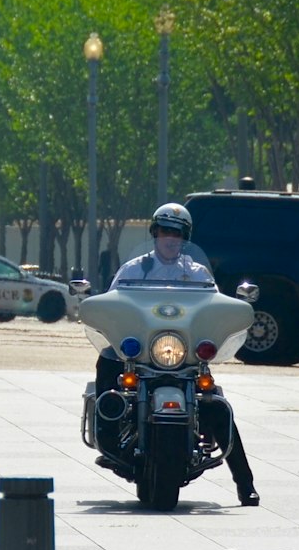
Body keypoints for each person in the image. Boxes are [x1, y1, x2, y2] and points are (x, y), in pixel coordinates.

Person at [95, 202, 259, 506]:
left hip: (182, 357)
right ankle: (108, 436)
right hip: (143, 354)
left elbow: (212, 306)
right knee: (108, 365)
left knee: (218, 408)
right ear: (155, 233)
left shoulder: (197, 274)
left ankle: (245, 483)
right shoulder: (133, 269)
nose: (171, 238)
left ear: (186, 238)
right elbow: (112, 303)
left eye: (178, 233)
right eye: (166, 231)